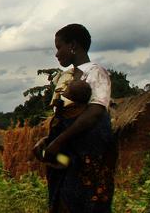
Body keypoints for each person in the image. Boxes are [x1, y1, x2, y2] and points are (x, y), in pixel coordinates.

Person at [33, 24, 116, 212]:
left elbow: (94, 114)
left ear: (73, 45)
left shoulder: (95, 72)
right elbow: (64, 118)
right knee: (64, 196)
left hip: (89, 152)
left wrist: (58, 142)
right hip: (69, 155)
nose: (56, 53)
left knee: (88, 200)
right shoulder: (65, 78)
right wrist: (48, 141)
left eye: (59, 46)